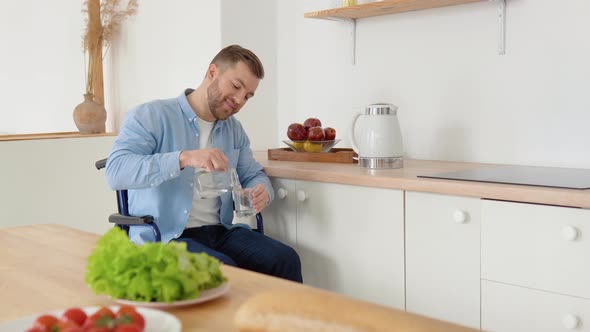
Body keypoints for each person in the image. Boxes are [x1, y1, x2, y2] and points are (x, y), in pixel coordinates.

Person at [105, 45, 302, 282]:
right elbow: (116, 171)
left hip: (220, 232)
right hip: (166, 237)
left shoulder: (233, 130)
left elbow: (253, 174)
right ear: (212, 72)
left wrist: (263, 191)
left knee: (285, 258)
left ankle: (274, 321)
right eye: (236, 86)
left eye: (247, 96)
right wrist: (183, 158)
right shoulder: (152, 116)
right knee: (223, 270)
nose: (239, 100)